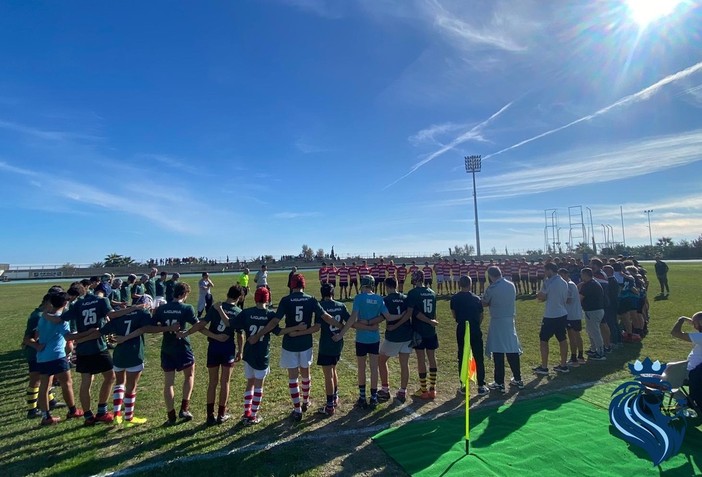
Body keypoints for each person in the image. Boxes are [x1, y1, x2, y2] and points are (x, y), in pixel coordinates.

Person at [61, 283, 146, 425]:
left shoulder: (77, 304)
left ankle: (88, 416)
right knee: (110, 377)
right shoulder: (101, 301)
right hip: (98, 346)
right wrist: (133, 308)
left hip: (82, 347)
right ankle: (102, 411)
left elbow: (62, 318)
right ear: (87, 289)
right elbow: (112, 315)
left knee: (86, 380)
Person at [98, 295, 169, 425]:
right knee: (131, 386)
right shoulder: (142, 313)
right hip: (134, 352)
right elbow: (150, 328)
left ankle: (116, 414)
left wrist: (112, 339)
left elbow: (105, 332)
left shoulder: (122, 313)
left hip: (119, 353)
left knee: (119, 383)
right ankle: (129, 417)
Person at [269, 273, 329, 422]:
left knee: (293, 377)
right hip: (306, 343)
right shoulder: (311, 299)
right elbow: (322, 319)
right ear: (304, 284)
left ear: (291, 285)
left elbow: (276, 321)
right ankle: (306, 401)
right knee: (305, 373)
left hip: (290, 343)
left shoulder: (285, 300)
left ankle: (297, 410)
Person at [152, 282, 210, 424]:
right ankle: (184, 409)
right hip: (183, 347)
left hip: (167, 348)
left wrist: (166, 328)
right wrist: (210, 333)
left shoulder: (162, 308)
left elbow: (152, 326)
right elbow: (197, 325)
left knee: (169, 383)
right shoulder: (186, 308)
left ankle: (171, 416)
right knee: (189, 375)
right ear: (184, 294)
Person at [335, 275, 388, 409]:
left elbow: (353, 318)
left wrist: (342, 333)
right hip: (374, 338)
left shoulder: (359, 298)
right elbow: (384, 316)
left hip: (361, 339)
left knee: (361, 368)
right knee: (374, 368)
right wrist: (372, 323)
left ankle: (363, 397)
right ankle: (374, 397)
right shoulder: (379, 299)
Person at [35, 292, 84, 425]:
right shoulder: (62, 320)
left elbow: (38, 333)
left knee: (45, 386)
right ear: (65, 303)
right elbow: (68, 337)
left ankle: (46, 416)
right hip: (57, 355)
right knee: (66, 383)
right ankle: (73, 410)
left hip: (42, 356)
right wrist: (86, 334)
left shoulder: (44, 317)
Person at [234, 286, 278, 425]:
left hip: (248, 352)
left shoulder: (246, 312)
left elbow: (233, 324)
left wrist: (221, 310)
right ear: (268, 298)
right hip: (262, 353)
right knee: (259, 385)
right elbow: (279, 331)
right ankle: (253, 415)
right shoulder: (270, 314)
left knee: (250, 383)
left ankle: (247, 411)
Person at [202, 286, 244, 425]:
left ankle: (209, 416)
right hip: (227, 349)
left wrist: (214, 336)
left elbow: (201, 326)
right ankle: (221, 414)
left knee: (212, 382)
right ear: (239, 297)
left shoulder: (215, 307)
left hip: (213, 347)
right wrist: (240, 350)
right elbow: (239, 334)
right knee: (225, 382)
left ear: (227, 294)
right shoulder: (238, 311)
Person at [23, 291, 66, 419]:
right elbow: (26, 339)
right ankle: (31, 409)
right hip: (34, 353)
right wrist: (37, 346)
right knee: (35, 380)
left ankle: (51, 401)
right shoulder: (37, 316)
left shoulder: (45, 315)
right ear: (47, 303)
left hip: (42, 353)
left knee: (47, 378)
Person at [482, 267, 523, 392]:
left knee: (498, 351)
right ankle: (518, 378)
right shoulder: (511, 285)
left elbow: (484, 302)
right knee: (512, 349)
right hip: (510, 320)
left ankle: (499, 382)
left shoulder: (492, 288)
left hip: (498, 321)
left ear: (490, 276)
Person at [316, 284, 350, 416]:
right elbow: (349, 321)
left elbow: (317, 326)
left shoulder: (320, 307)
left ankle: (330, 406)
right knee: (333, 369)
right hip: (338, 343)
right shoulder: (341, 306)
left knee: (328, 374)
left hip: (326, 344)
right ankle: (335, 396)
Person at [451, 276, 487, 395]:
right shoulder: (476, 299)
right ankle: (481, 385)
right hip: (474, 328)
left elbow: (454, 315)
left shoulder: (455, 298)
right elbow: (481, 315)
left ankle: (463, 385)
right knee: (478, 356)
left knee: (462, 356)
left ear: (459, 284)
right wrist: (475, 325)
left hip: (462, 328)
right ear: (470, 284)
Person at [378, 277, 412, 403]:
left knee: (381, 360)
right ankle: (403, 391)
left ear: (387, 287)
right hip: (407, 334)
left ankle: (385, 389)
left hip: (393, 336)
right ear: (397, 285)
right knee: (404, 364)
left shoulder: (385, 300)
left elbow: (382, 317)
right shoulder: (405, 298)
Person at [407, 270, 439, 399]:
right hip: (431, 331)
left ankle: (424, 389)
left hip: (419, 330)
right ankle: (433, 388)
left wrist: (429, 321)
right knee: (432, 358)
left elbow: (415, 313)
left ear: (415, 279)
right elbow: (434, 313)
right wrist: (432, 322)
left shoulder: (413, 293)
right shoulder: (432, 292)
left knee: (421, 359)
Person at [534, 263, 570, 375]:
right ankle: (563, 364)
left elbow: (541, 296)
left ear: (550, 270)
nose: (544, 273)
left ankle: (544, 367)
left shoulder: (548, 282)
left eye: (545, 270)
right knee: (562, 339)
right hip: (562, 313)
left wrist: (538, 294)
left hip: (551, 315)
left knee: (543, 340)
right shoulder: (564, 282)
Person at [670, 312, 702, 411]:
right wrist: (694, 321)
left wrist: (681, 320)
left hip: (692, 371)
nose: (693, 325)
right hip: (696, 369)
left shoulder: (700, 337)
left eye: (694, 323)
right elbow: (698, 325)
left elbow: (675, 333)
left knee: (665, 381)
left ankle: (685, 401)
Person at [559, 268, 584, 368]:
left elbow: (568, 300)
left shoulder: (568, 285)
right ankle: (580, 356)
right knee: (577, 335)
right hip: (576, 314)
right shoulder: (572, 284)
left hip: (571, 315)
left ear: (566, 274)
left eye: (561, 276)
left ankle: (574, 358)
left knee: (572, 336)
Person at [579, 267, 606, 361]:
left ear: (585, 275)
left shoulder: (589, 285)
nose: (581, 276)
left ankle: (600, 352)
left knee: (595, 332)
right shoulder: (592, 283)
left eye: (582, 274)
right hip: (594, 310)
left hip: (593, 311)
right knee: (590, 330)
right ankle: (593, 349)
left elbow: (580, 298)